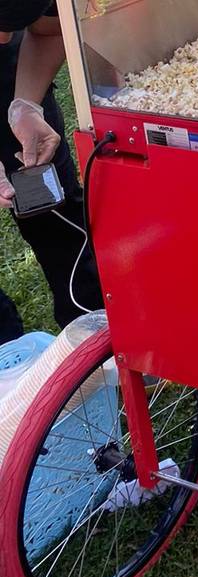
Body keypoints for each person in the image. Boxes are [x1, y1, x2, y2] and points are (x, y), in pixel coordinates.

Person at [0, 1, 102, 341]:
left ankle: (93, 330)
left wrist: (25, 103)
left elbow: (50, 29)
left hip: (9, 77)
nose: (4, 37)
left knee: (49, 207)